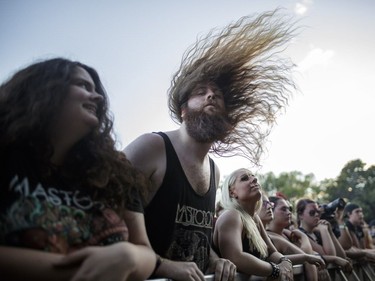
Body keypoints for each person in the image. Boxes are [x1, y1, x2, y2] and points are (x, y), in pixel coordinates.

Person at [124, 9, 298, 281]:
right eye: (200, 92)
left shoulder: (215, 170)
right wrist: (161, 266)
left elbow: (196, 236)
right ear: (183, 110)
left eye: (216, 95)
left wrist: (216, 261)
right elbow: (107, 220)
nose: (210, 96)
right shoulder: (152, 147)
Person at [0, 58, 157, 281]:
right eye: (83, 85)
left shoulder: (113, 172)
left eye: (95, 89)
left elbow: (145, 251)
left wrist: (129, 256)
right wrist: (83, 271)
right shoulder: (6, 154)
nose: (98, 97)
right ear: (44, 88)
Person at [213, 169, 294, 280]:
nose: (255, 179)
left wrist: (285, 262)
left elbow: (272, 252)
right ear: (232, 192)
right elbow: (235, 257)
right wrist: (275, 270)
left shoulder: (255, 218)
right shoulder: (232, 215)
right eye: (245, 178)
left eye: (253, 176)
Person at [259, 195, 325, 281]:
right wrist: (304, 237)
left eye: (289, 209)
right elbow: (306, 257)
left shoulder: (288, 235)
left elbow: (311, 255)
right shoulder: (273, 237)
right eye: (283, 209)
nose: (289, 212)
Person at [296, 198, 352, 272]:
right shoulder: (299, 234)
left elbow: (342, 256)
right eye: (312, 212)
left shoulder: (317, 233)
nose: (316, 215)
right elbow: (331, 256)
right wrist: (324, 230)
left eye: (318, 212)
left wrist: (330, 233)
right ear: (300, 215)